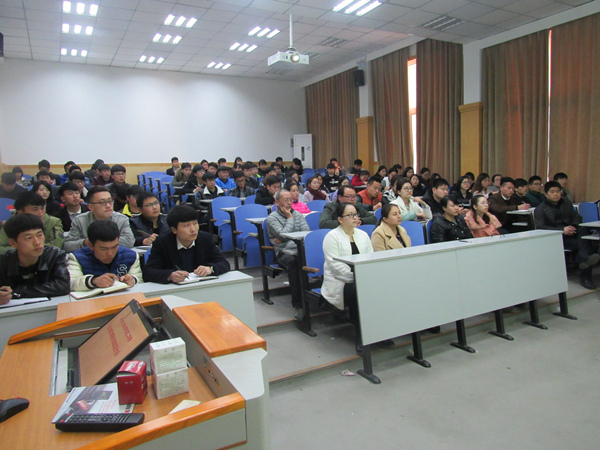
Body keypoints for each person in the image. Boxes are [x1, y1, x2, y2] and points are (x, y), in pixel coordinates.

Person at [322, 203, 375, 352]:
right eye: (350, 215)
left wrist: (365, 276)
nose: (355, 217)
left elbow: (370, 257)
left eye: (356, 214)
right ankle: (361, 337)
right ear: (340, 219)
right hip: (340, 280)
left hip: (362, 277)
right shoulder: (332, 237)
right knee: (357, 291)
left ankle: (380, 332)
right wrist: (357, 278)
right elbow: (335, 265)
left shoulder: (363, 235)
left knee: (381, 288)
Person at [535, 181, 599, 290]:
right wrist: (562, 230)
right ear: (546, 194)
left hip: (571, 233)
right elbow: (540, 227)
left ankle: (585, 258)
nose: (556, 194)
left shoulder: (566, 204)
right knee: (585, 246)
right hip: (557, 237)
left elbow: (577, 217)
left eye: (558, 191)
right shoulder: (540, 209)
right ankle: (586, 276)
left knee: (583, 230)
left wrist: (572, 227)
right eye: (552, 192)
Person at [142, 205, 230, 284]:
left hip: (201, 286)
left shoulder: (205, 239)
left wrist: (210, 269)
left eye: (195, 223)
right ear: (174, 230)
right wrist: (170, 275)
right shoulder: (162, 242)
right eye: (186, 226)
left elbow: (224, 263)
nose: (193, 229)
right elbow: (148, 272)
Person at [0, 213, 69, 303]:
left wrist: (17, 291)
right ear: (13, 243)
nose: (37, 242)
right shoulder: (3, 262)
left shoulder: (54, 255)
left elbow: (63, 286)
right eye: (29, 238)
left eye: (39, 235)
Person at [266, 189, 310, 320]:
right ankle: (298, 305)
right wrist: (290, 219)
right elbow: (282, 234)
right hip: (283, 252)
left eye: (290, 199)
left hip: (300, 249)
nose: (289, 202)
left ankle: (321, 299)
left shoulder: (298, 214)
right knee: (294, 262)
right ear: (277, 202)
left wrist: (285, 237)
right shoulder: (272, 218)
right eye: (285, 200)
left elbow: (306, 232)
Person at [68, 220, 142, 291]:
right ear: (90, 245)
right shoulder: (77, 258)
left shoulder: (131, 256)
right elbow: (71, 284)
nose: (110, 253)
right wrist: (92, 281)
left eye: (114, 247)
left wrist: (132, 279)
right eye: (103, 249)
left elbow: (139, 280)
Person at [64, 186, 135, 252]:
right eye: (102, 202)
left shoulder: (121, 219)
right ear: (90, 207)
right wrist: (85, 242)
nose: (108, 206)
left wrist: (99, 241)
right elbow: (67, 245)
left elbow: (129, 241)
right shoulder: (80, 221)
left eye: (110, 201)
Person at [0, 191, 64, 253]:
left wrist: (28, 249)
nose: (41, 213)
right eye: (35, 210)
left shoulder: (53, 222)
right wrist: (26, 250)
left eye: (42, 208)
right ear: (21, 213)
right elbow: (1, 248)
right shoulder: (9, 225)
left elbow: (56, 245)